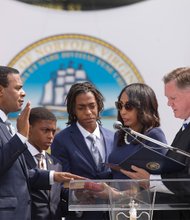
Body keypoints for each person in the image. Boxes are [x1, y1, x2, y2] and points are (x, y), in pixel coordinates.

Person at [0, 66, 84, 220]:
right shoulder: (15, 131)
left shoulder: (6, 125)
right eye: (18, 88)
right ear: (0, 90)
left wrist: (54, 176)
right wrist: (20, 136)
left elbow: (19, 174)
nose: (23, 93)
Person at [120, 68, 190, 220]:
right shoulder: (185, 127)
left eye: (173, 98)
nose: (168, 103)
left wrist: (151, 180)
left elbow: (187, 183)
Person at [51, 81, 114, 220]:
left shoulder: (113, 137)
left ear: (99, 106)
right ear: (73, 110)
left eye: (92, 106)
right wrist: (76, 195)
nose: (88, 112)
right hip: (81, 215)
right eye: (81, 108)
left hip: (113, 214)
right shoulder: (61, 140)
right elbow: (59, 182)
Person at [108, 83, 167, 180]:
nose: (122, 111)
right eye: (120, 105)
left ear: (143, 107)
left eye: (128, 106)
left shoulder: (154, 135)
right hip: (115, 194)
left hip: (142, 194)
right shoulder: (119, 135)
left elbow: (162, 176)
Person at [23, 107, 67, 220]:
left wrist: (78, 196)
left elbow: (56, 200)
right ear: (29, 128)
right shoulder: (17, 159)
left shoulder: (56, 164)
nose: (51, 136)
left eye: (53, 131)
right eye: (45, 130)